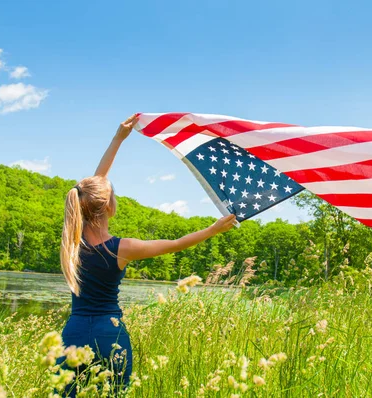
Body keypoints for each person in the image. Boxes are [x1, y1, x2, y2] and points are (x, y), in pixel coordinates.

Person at [55, 114, 237, 396]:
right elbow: (176, 243)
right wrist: (212, 230)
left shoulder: (71, 243)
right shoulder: (122, 248)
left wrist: (117, 139)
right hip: (109, 336)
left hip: (73, 335)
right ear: (109, 206)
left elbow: (92, 189)